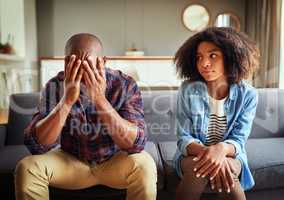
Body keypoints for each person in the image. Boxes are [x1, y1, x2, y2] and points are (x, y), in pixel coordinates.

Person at [15, 33, 157, 200]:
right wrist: (67, 101)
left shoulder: (125, 84)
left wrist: (99, 99)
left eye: (89, 65)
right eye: (76, 64)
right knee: (27, 167)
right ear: (66, 63)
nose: (83, 73)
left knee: (145, 165)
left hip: (114, 162)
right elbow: (36, 145)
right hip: (71, 162)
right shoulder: (55, 85)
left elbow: (135, 144)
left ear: (102, 62)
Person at [173, 27, 260, 200]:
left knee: (223, 168)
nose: (204, 63)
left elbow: (238, 140)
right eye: (199, 57)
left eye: (213, 55)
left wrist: (220, 150)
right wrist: (211, 155)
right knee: (201, 169)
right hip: (192, 155)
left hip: (230, 155)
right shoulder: (188, 90)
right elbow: (184, 138)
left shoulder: (248, 95)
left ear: (231, 56)